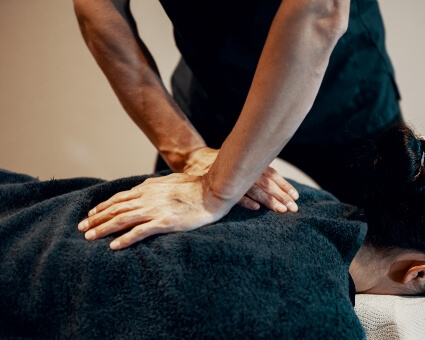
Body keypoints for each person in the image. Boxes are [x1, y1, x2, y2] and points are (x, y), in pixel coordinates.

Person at [72, 0, 402, 250]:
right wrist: (189, 154)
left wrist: (216, 189)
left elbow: (319, 11)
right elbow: (99, 7)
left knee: (400, 245)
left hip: (341, 86)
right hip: (212, 83)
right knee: (166, 242)